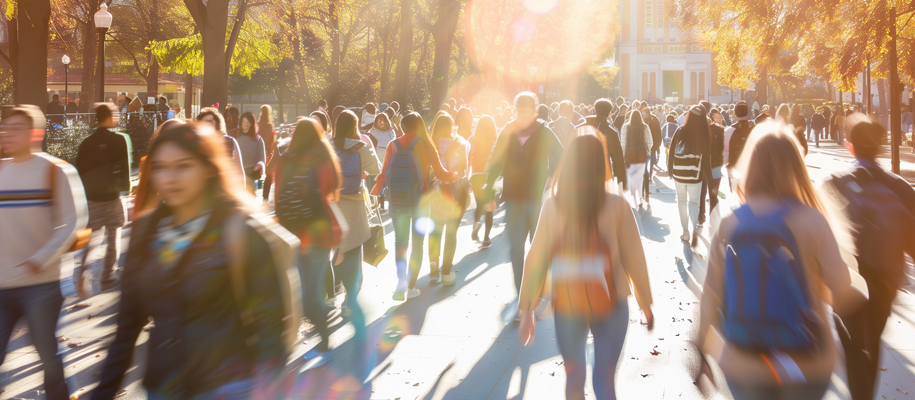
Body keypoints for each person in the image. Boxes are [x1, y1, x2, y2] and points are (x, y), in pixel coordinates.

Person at [94, 122, 300, 400]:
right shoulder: (145, 232)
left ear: (207, 168)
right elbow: (126, 329)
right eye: (161, 167)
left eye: (183, 166)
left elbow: (272, 325)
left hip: (229, 386)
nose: (170, 178)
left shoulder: (240, 230)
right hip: (163, 386)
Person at [695, 121, 867, 400]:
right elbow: (842, 293)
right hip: (806, 360)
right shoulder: (811, 220)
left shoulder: (730, 223)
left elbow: (711, 295)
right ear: (796, 167)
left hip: (745, 360)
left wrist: (702, 351)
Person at [518, 134, 653, 400]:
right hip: (612, 298)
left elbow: (535, 259)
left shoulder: (553, 206)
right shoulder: (617, 206)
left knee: (574, 375)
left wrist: (527, 309)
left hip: (568, 298)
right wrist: (644, 302)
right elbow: (634, 257)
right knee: (604, 376)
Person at [822, 114, 915, 400]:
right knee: (872, 340)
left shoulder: (833, 182)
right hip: (884, 281)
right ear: (882, 146)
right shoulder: (899, 187)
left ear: (850, 146)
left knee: (851, 341)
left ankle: (857, 391)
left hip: (845, 279)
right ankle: (865, 394)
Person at [0, 105, 88, 400]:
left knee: (48, 356)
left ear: (35, 133)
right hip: (3, 283)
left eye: (15, 128)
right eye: (5, 127)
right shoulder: (1, 170)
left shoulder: (56, 171)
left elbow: (74, 222)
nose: (7, 133)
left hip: (42, 285)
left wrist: (41, 258)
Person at [485, 92, 563, 317]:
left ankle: (537, 292)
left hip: (537, 199)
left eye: (527, 112)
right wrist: (488, 189)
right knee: (516, 248)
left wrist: (552, 179)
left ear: (536, 111)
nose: (523, 116)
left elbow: (562, 157)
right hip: (514, 198)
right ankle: (523, 297)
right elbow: (496, 162)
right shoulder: (508, 131)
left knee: (537, 248)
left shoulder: (545, 132)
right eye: (519, 111)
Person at [274, 118, 343, 366]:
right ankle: (325, 343)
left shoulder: (285, 160)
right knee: (311, 295)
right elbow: (330, 195)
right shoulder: (325, 160)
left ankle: (322, 344)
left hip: (293, 235)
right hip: (322, 235)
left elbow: (278, 199)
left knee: (300, 296)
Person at [372, 113, 458, 300]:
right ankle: (411, 287)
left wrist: (375, 189)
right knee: (417, 244)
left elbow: (384, 173)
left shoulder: (392, 145)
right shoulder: (426, 145)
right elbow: (442, 174)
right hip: (421, 200)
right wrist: (454, 175)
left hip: (397, 201)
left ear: (402, 126)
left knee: (400, 243)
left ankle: (400, 283)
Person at [328, 111, 380, 369]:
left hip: (334, 202)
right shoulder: (360, 145)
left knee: (339, 246)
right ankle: (350, 298)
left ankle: (336, 287)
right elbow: (376, 168)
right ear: (355, 127)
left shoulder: (328, 142)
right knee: (356, 247)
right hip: (356, 202)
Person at [74, 103, 130, 297]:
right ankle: (107, 278)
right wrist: (126, 189)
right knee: (114, 236)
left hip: (92, 198)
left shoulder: (86, 143)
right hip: (112, 196)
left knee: (90, 239)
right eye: (114, 114)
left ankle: (82, 273)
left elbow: (79, 171)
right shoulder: (119, 140)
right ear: (109, 117)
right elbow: (123, 168)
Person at [427, 112, 471, 286]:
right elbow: (464, 170)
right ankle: (446, 273)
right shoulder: (460, 143)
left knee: (435, 229)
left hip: (435, 191)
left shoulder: (430, 144)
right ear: (452, 125)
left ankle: (433, 266)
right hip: (454, 191)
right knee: (451, 233)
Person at [667, 105, 711, 245]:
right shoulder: (703, 133)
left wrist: (670, 170)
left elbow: (672, 150)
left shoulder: (680, 130)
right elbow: (706, 157)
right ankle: (694, 231)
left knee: (681, 201)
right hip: (694, 172)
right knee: (694, 202)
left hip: (678, 171)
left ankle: (685, 232)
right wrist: (708, 175)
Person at [578, 99, 626, 191]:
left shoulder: (581, 128)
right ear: (609, 113)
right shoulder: (612, 133)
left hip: (582, 175)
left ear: (595, 110)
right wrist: (621, 183)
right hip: (604, 175)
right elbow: (618, 161)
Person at [196, 107, 246, 190]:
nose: (207, 124)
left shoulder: (230, 141)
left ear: (217, 122)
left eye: (210, 121)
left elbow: (238, 168)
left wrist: (243, 189)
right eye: (204, 122)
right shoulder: (197, 144)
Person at [469, 115, 498, 249]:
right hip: (489, 177)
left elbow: (468, 157)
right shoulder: (495, 141)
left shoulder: (473, 140)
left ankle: (476, 223)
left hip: (476, 176)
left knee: (479, 205)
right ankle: (486, 238)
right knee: (489, 208)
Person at [698, 108, 725, 225]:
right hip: (716, 165)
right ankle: (713, 218)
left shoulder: (698, 132)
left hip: (703, 167)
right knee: (713, 194)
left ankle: (701, 216)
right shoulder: (719, 130)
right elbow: (723, 148)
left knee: (702, 193)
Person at [621, 110, 652, 209]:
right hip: (641, 154)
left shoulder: (626, 126)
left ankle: (632, 197)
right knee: (640, 176)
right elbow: (650, 142)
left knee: (630, 175)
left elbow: (623, 142)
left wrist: (623, 153)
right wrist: (648, 150)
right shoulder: (645, 126)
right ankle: (639, 198)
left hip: (630, 153)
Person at [723, 101, 754, 192]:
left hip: (733, 166)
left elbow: (724, 152)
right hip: (751, 167)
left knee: (735, 194)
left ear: (735, 113)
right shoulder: (754, 128)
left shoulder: (729, 130)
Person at [369, 113, 397, 211]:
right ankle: (380, 205)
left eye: (382, 120)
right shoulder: (372, 132)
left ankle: (391, 204)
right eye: (378, 120)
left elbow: (393, 142)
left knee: (389, 181)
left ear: (386, 121)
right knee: (379, 181)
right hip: (378, 156)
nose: (380, 122)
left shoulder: (391, 132)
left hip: (389, 156)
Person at [237, 111, 266, 194]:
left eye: (248, 122)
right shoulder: (237, 138)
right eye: (243, 122)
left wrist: (259, 165)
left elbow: (262, 158)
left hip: (252, 172)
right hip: (239, 171)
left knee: (250, 195)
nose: (245, 124)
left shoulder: (258, 139)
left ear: (252, 124)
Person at [258, 105, 277, 202]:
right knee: (269, 174)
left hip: (258, 152)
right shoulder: (270, 125)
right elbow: (272, 141)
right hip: (268, 153)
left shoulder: (257, 125)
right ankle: (265, 196)